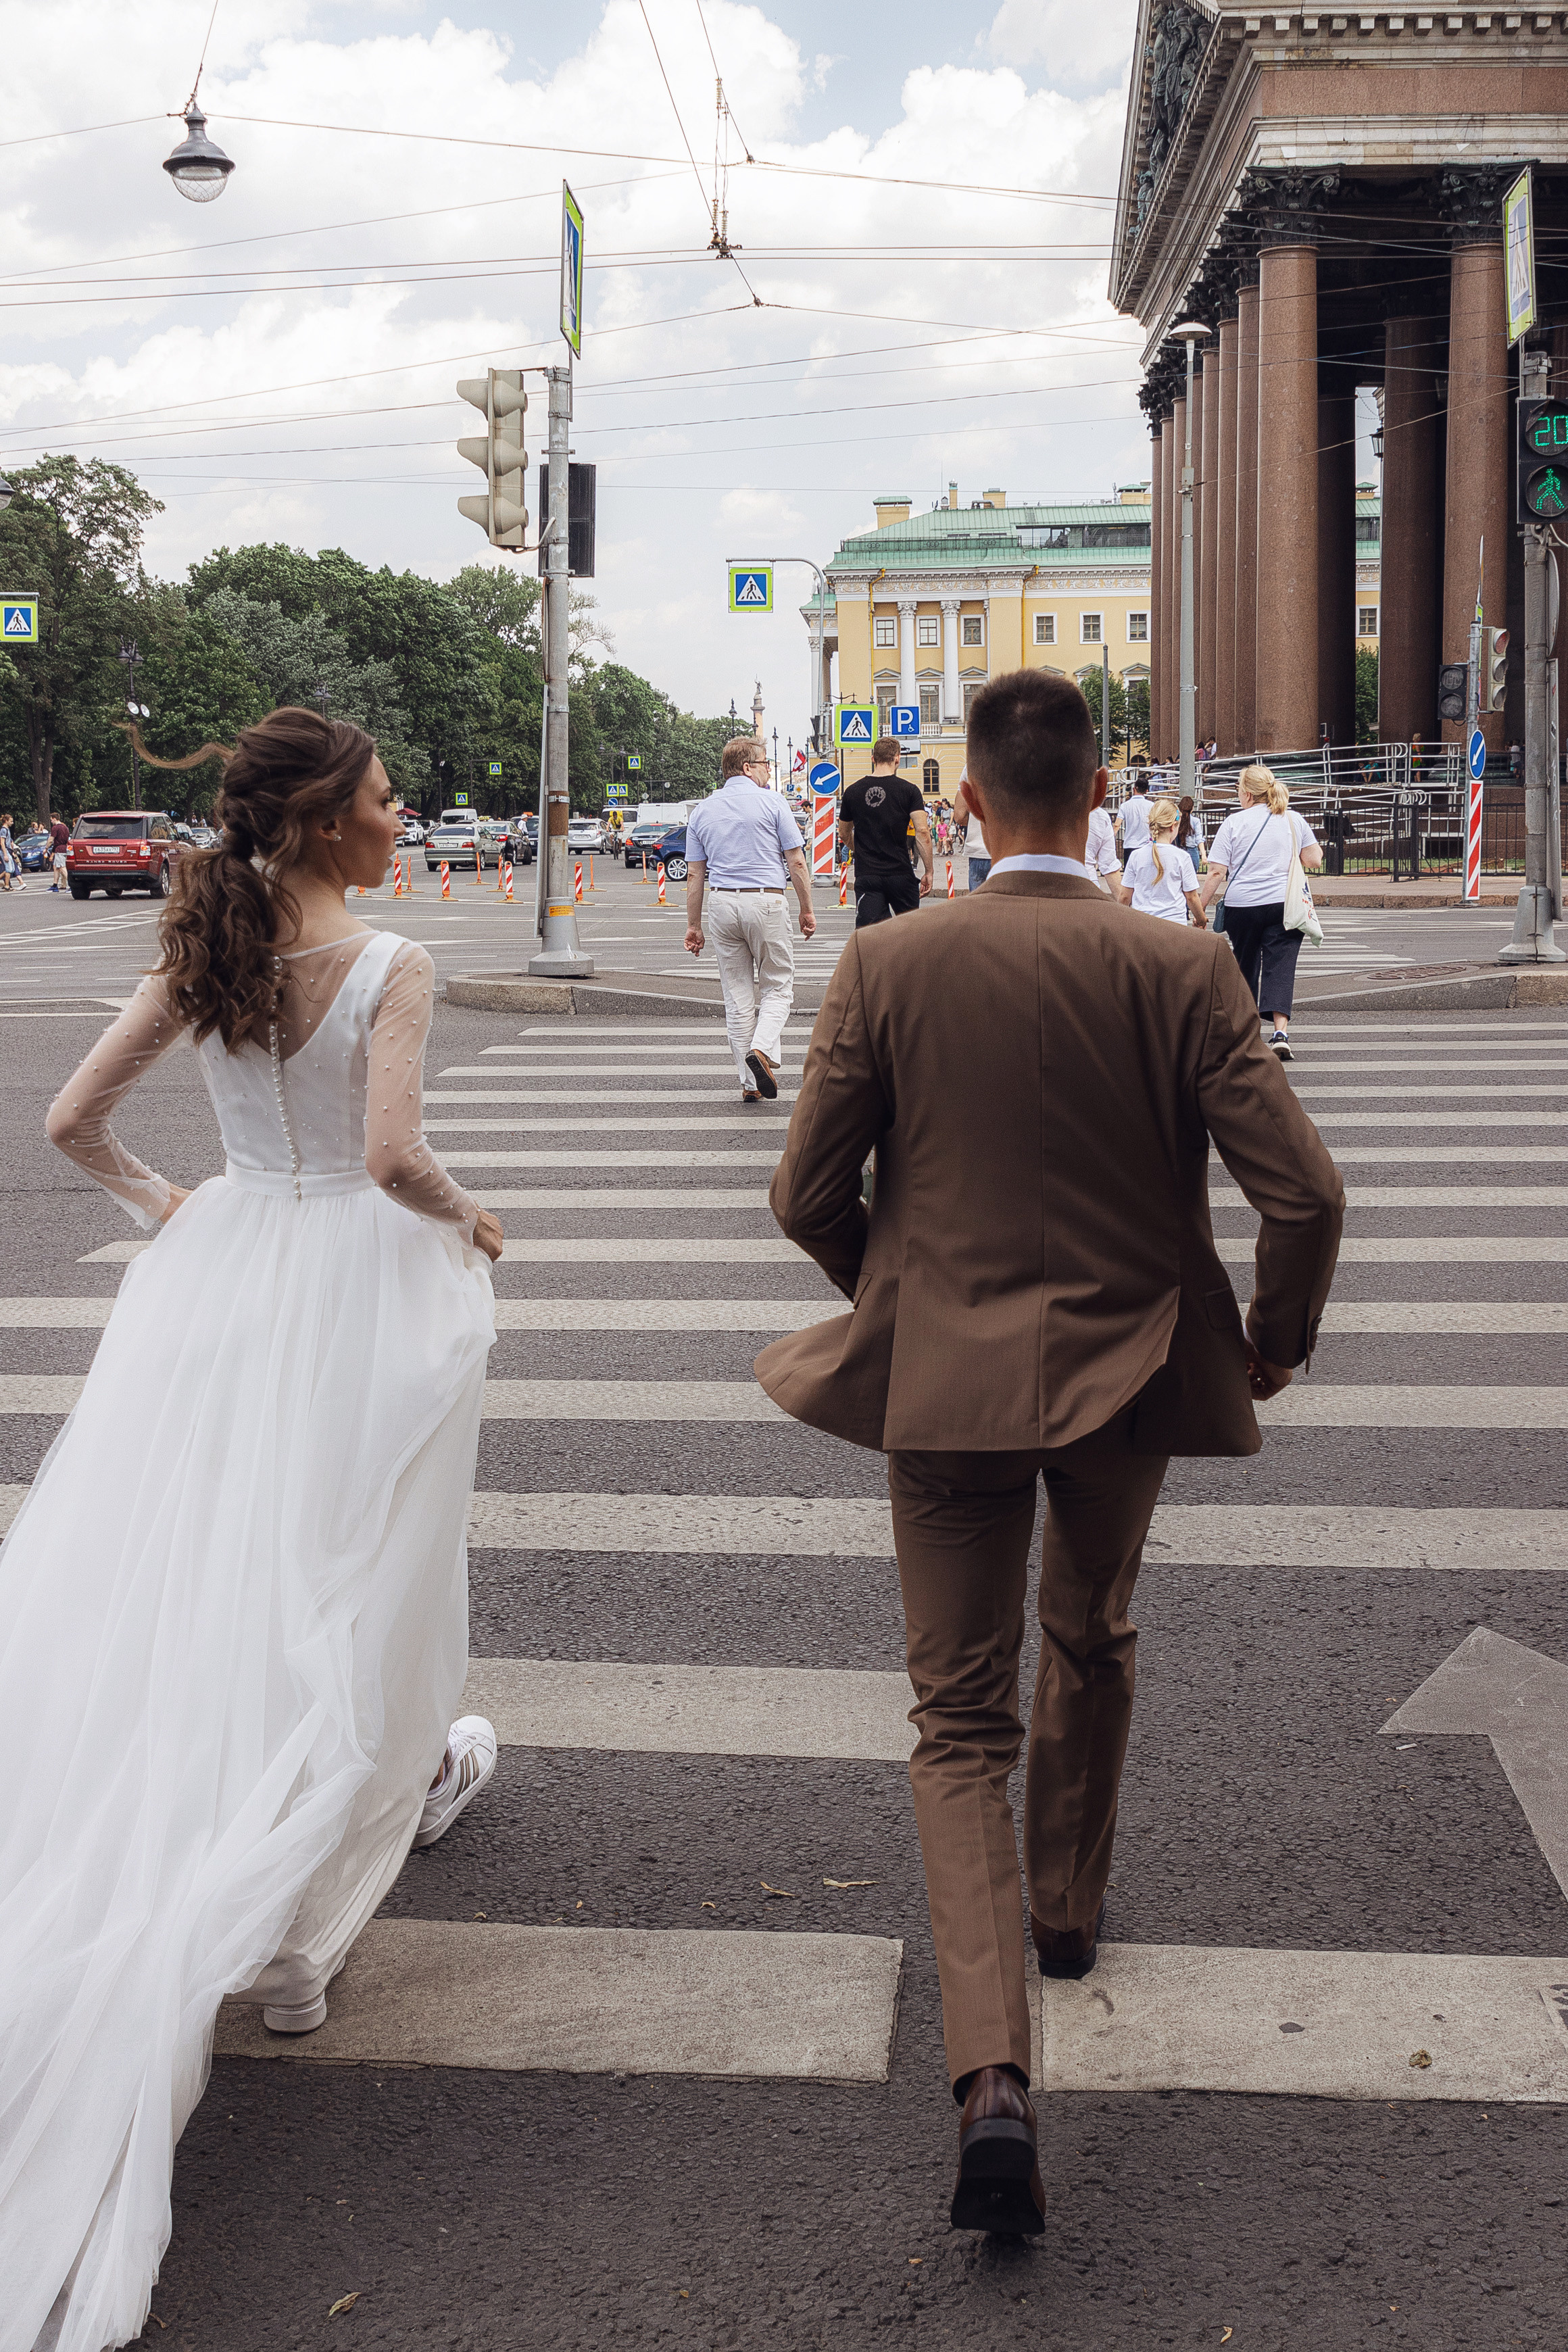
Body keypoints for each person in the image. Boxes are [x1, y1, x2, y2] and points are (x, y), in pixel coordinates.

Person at [754, 668, 1342, 2241]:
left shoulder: (884, 962)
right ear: (1099, 800)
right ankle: (1067, 1908)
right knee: (1091, 1629)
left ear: (962, 805)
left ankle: (991, 2080)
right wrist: (1268, 1341)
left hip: (937, 1387)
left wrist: (902, 1294)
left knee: (957, 1719)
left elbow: (807, 1197)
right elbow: (1303, 1195)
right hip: (1126, 1376)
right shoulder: (1183, 968)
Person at [0, 708, 505, 2348]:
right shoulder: (390, 964)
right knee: (359, 1571)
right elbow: (390, 1155)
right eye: (381, 792)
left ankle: (288, 1875)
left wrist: (178, 1214)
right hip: (362, 1288)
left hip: (218, 1294)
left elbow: (71, 1120)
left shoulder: (205, 947)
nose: (400, 807)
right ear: (327, 821)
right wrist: (475, 1217)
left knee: (213, 1579)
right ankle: (297, 1922)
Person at [683, 734, 816, 1102]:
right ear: (747, 767)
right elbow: (797, 862)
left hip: (722, 905)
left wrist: (693, 926)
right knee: (778, 986)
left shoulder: (703, 810)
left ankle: (750, 1084)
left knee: (737, 998)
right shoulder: (773, 803)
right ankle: (760, 1049)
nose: (769, 771)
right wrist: (806, 908)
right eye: (765, 764)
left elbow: (695, 875)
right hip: (766, 902)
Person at [1199, 763, 1323, 1062]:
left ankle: (1246, 1034)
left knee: (1245, 966)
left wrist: (1199, 909)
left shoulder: (1233, 823)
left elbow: (1216, 872)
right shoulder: (1293, 819)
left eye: (1239, 788)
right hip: (1285, 905)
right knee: (1281, 967)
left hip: (1243, 907)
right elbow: (1314, 860)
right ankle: (1280, 1033)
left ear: (1247, 793)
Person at [838, 737, 932, 926]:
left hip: (868, 875)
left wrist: (861, 850)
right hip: (901, 874)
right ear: (897, 759)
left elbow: (844, 834)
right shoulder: (909, 791)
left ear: (873, 758)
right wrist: (929, 871)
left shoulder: (852, 792)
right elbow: (922, 831)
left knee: (871, 935)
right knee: (911, 931)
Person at [1119, 796, 1206, 927]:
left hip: (1142, 924)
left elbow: (1125, 897)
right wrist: (1201, 920)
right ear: (1173, 826)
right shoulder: (1182, 857)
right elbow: (1192, 897)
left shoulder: (1136, 856)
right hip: (1174, 924)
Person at [952, 770, 990, 889]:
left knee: (978, 907)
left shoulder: (970, 765)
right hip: (1010, 853)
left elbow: (959, 815)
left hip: (977, 852)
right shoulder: (1018, 757)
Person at [1114, 772, 1151, 866]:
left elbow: (1117, 825)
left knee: (1129, 876)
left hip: (1129, 845)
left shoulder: (1125, 806)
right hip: (1146, 845)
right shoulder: (1151, 806)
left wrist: (1110, 839)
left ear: (1134, 789)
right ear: (1147, 791)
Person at [0, 812, 21, 892]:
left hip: (8, 851)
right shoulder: (3, 830)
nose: (12, 823)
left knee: (11, 869)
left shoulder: (7, 830)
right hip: (5, 851)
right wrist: (5, 854)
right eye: (11, 821)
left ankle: (7, 885)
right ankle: (7, 886)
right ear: (6, 821)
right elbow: (2, 842)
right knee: (9, 869)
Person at [48, 811, 68, 891]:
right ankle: (55, 885)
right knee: (56, 867)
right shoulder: (65, 827)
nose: (51, 821)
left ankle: (71, 884)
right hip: (64, 848)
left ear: (55, 819)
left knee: (62, 867)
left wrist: (46, 849)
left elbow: (51, 840)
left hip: (59, 849)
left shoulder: (55, 828)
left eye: (51, 820)